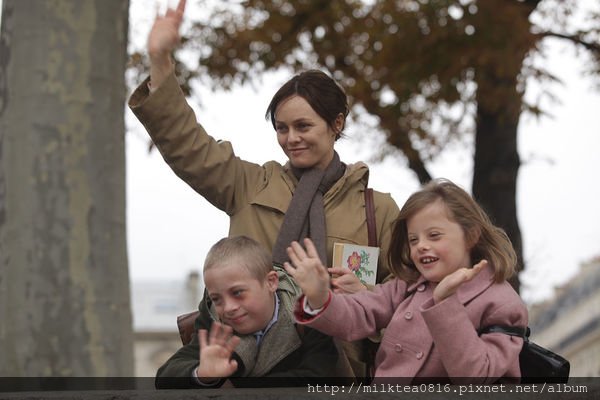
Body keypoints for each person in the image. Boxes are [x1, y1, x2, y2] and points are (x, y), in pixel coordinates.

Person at [129, 0, 400, 376]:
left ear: (336, 123)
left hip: (340, 377)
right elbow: (187, 146)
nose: (291, 139)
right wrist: (160, 61)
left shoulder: (378, 210)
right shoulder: (249, 186)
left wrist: (367, 297)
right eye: (281, 128)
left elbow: (414, 299)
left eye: (303, 126)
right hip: (243, 376)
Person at [284, 179, 528, 383]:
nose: (421, 246)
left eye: (434, 235)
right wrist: (319, 297)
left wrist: (444, 302)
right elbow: (358, 314)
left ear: (471, 235)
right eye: (413, 240)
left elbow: (477, 377)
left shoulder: (502, 303)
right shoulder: (407, 285)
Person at [155, 236, 346, 388]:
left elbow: (319, 377)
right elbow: (165, 377)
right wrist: (202, 375)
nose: (228, 307)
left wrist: (237, 387)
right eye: (217, 299)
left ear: (271, 282)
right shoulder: (213, 321)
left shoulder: (308, 312)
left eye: (237, 293)